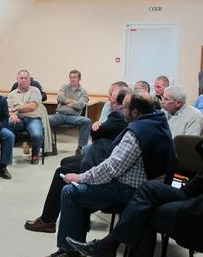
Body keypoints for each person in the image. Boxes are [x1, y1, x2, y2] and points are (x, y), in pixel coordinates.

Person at [46, 91, 175, 257]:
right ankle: (75, 247)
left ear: (135, 112)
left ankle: (68, 251)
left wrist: (80, 177)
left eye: (125, 107)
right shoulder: (158, 121)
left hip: (131, 190)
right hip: (150, 188)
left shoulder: (136, 132)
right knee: (83, 181)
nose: (121, 110)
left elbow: (112, 167)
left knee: (71, 191)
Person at [66, 140, 203, 257]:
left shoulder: (145, 127)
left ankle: (107, 245)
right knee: (147, 189)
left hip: (197, 207)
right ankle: (107, 245)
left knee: (144, 209)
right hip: (191, 191)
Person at [25, 88, 129, 233]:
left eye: (112, 94)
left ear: (120, 104)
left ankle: (48, 220)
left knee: (60, 172)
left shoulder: (118, 116)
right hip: (98, 154)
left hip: (100, 161)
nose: (109, 96)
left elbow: (96, 131)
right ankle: (81, 217)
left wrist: (97, 128)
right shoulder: (117, 112)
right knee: (65, 162)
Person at [49, 70, 91, 155]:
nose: (72, 79)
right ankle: (51, 147)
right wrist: (73, 101)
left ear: (79, 79)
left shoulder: (83, 92)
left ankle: (81, 148)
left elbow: (79, 106)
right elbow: (59, 98)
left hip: (74, 116)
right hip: (60, 114)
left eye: (75, 77)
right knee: (45, 120)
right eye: (71, 77)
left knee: (87, 121)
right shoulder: (64, 87)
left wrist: (65, 101)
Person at [8, 69, 44, 164]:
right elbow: (8, 109)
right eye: (21, 78)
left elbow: (32, 107)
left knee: (37, 135)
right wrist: (11, 114)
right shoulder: (12, 94)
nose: (23, 80)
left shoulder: (35, 90)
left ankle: (35, 155)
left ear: (29, 80)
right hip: (18, 119)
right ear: (17, 79)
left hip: (33, 119)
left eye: (25, 78)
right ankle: (7, 156)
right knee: (8, 124)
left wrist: (16, 109)